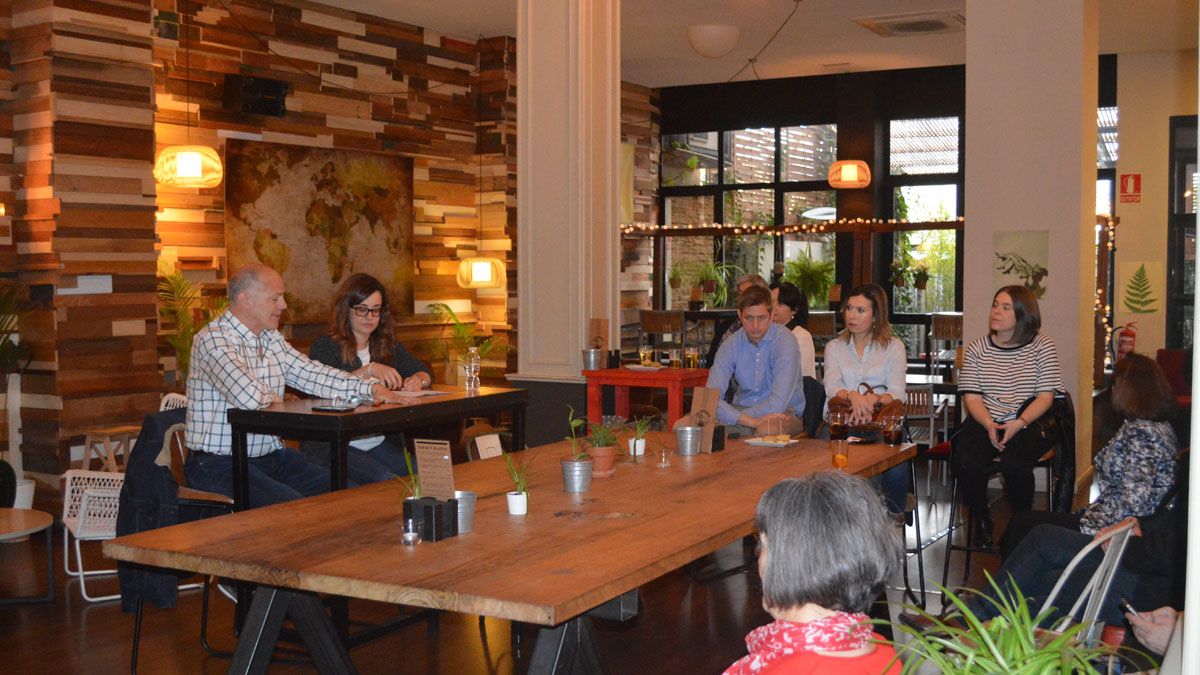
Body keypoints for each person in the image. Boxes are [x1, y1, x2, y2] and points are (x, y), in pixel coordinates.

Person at [185, 263, 409, 508]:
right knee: (297, 510)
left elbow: (313, 374)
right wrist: (279, 397)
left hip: (272, 456)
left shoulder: (271, 339)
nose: (284, 305)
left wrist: (371, 389)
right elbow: (248, 397)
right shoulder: (212, 340)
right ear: (245, 299)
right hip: (219, 464)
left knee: (348, 496)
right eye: (275, 298)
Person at [1000, 352, 1178, 556]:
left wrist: (1094, 521)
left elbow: (1135, 507)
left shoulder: (1144, 437)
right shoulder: (1153, 427)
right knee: (1022, 523)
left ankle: (1004, 587)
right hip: (1104, 519)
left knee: (1022, 526)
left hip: (1107, 532)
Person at [726, 472, 901, 674]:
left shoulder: (788, 669)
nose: (760, 560)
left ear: (787, 561)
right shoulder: (882, 650)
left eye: (764, 545)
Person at [951, 285, 1064, 546]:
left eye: (1005, 307)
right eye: (995, 305)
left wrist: (1020, 422)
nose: (996, 312)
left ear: (1023, 314)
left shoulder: (1042, 345)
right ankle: (980, 516)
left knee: (1015, 464)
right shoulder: (978, 348)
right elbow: (973, 398)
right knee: (965, 460)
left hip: (1029, 420)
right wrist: (989, 423)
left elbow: (1045, 397)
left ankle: (1021, 522)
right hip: (986, 417)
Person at [304, 273, 433, 484]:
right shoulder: (325, 346)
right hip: (336, 444)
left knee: (421, 474)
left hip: (377, 440)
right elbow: (321, 392)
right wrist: (369, 370)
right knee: (384, 480)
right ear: (346, 309)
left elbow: (424, 370)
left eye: (375, 310)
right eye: (362, 309)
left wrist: (420, 379)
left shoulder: (385, 345)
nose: (369, 317)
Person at [822, 283, 908, 514]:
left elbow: (898, 391)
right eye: (849, 308)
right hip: (842, 424)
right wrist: (853, 396)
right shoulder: (834, 347)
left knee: (896, 469)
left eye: (860, 310)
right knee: (823, 462)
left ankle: (891, 522)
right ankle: (838, 525)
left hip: (880, 424)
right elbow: (831, 386)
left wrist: (873, 399)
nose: (852, 315)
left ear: (876, 315)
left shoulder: (894, 347)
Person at [704, 285, 806, 437]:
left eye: (761, 318)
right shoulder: (730, 344)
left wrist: (734, 417)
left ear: (771, 316)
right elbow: (710, 397)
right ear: (739, 315)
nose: (755, 326)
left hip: (784, 414)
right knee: (684, 425)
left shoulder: (786, 341)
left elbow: (778, 402)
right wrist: (746, 420)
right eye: (749, 318)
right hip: (740, 411)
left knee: (766, 431)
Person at [770, 282, 817, 380]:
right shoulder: (763, 332)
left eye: (779, 303)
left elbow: (805, 376)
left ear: (794, 310)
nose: (773, 307)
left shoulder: (801, 336)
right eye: (770, 301)